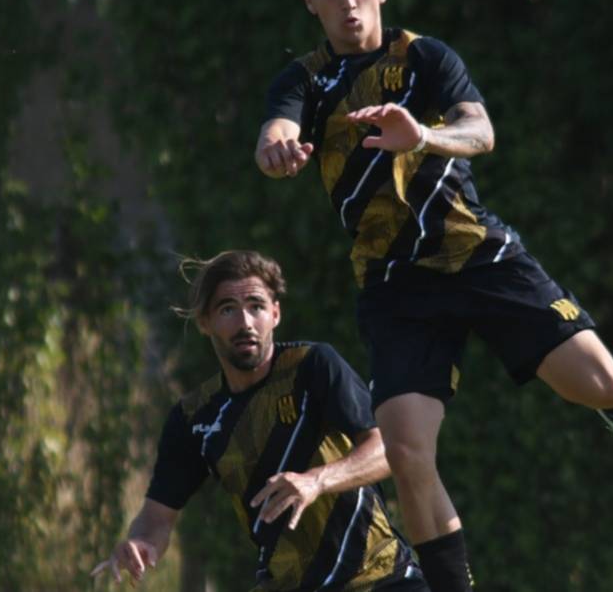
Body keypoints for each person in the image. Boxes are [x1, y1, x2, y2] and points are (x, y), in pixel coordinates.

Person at [255, 0, 613, 592]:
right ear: (310, 0)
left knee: (601, 382)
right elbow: (275, 130)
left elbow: (481, 130)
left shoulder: (426, 59)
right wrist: (276, 150)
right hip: (395, 286)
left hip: (481, 259)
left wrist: (425, 136)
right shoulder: (302, 79)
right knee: (408, 449)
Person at [92, 249, 427, 591]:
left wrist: (317, 480)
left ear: (275, 313)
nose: (245, 323)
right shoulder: (194, 418)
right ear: (205, 322)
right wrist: (141, 543)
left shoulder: (312, 366)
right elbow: (156, 518)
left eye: (256, 306)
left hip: (382, 578)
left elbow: (386, 449)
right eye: (228, 309)